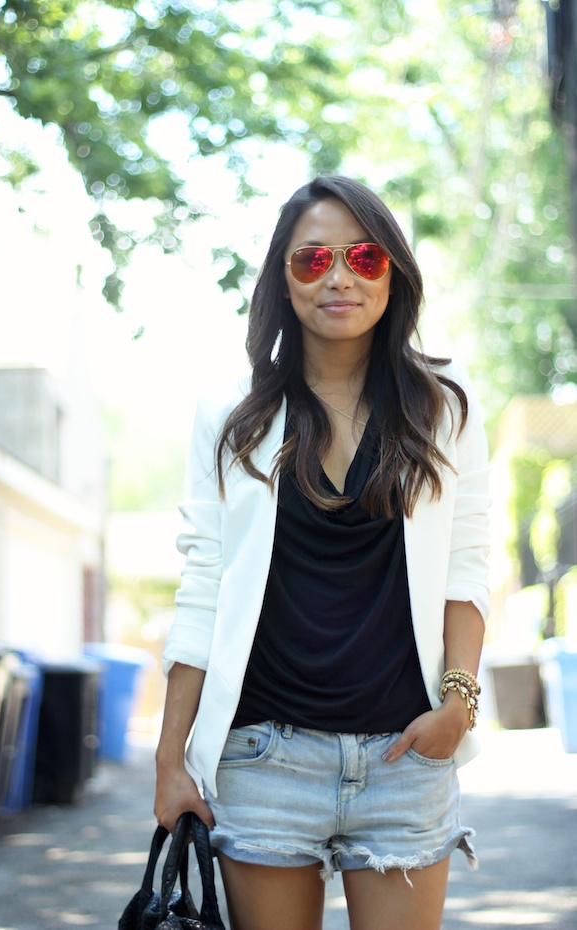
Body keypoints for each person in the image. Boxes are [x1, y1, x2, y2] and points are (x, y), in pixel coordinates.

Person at [154, 175, 490, 930]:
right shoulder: (234, 415)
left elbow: (467, 566)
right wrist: (171, 760)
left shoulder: (445, 403)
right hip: (264, 761)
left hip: (407, 760)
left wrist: (458, 707)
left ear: (392, 273)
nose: (338, 277)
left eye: (363, 258)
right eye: (312, 261)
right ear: (283, 278)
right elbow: (203, 584)